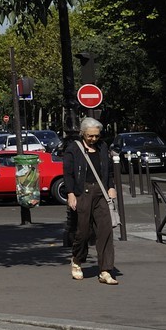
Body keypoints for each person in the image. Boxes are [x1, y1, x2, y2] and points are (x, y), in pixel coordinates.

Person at [66, 116, 119, 285]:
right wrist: (70, 193)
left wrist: (111, 187)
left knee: (105, 231)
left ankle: (105, 270)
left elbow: (108, 170)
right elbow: (68, 173)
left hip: (101, 192)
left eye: (97, 135)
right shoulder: (73, 148)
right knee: (83, 231)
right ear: (83, 133)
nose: (94, 139)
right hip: (83, 192)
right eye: (90, 136)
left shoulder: (103, 147)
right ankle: (77, 260)